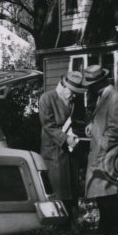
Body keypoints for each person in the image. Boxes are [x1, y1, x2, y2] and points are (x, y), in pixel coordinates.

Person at [80, 64, 118, 235]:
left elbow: (115, 130)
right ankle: (106, 228)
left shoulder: (114, 98)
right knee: (101, 193)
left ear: (98, 82)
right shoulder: (102, 95)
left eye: (90, 84)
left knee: (106, 194)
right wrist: (90, 125)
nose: (89, 88)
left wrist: (101, 147)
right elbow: (96, 117)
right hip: (100, 150)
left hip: (107, 152)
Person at [38, 72, 85, 222]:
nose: (75, 96)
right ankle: (57, 224)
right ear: (63, 86)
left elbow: (79, 120)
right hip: (54, 150)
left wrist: (80, 132)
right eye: (72, 92)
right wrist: (66, 139)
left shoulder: (75, 100)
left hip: (72, 150)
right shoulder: (47, 98)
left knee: (72, 187)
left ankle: (72, 222)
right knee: (58, 188)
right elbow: (48, 126)